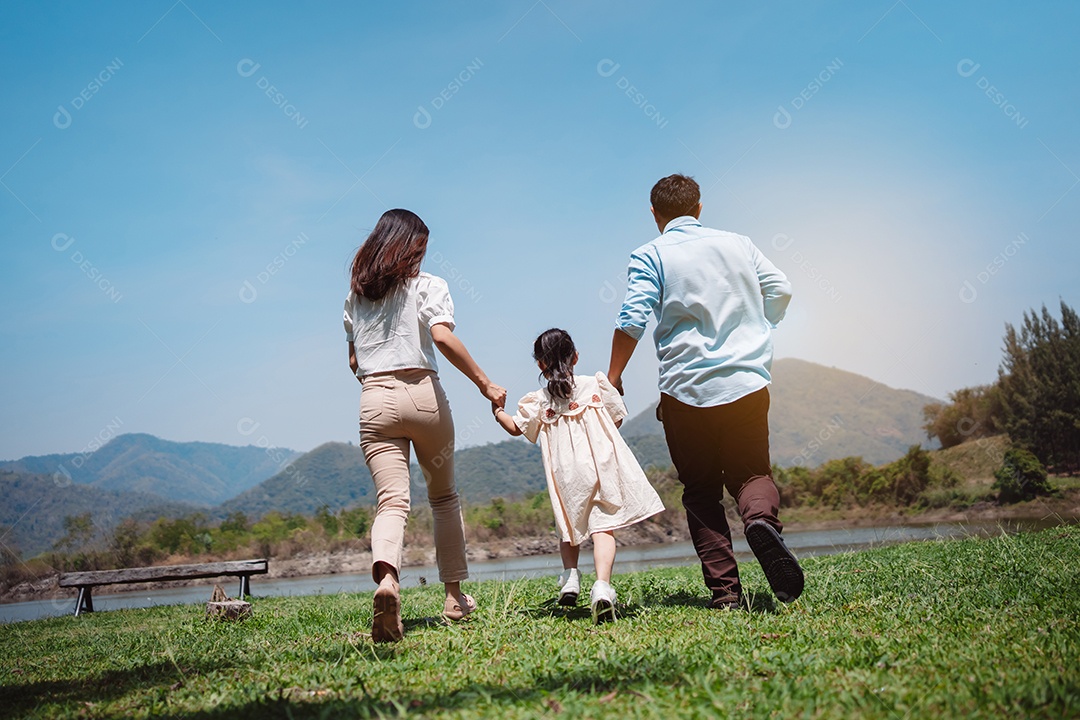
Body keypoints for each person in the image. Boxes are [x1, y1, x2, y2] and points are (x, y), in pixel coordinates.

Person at [606, 174, 804, 610]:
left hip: (685, 391)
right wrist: (758, 324)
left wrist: (614, 376)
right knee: (752, 475)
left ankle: (726, 594)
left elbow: (632, 318)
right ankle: (759, 521)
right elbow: (782, 289)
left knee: (700, 491)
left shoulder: (650, 254)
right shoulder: (739, 244)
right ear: (698, 208)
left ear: (655, 216)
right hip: (747, 383)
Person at [344, 208, 507, 642]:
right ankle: (454, 598)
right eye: (419, 249)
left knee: (392, 502)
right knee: (443, 497)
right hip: (423, 394)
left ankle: (388, 582)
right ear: (407, 247)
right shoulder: (429, 285)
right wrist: (485, 384)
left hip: (374, 400)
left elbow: (354, 360)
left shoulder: (356, 295)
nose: (421, 257)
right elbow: (441, 337)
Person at [494, 328, 665, 623]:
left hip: (565, 471)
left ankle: (571, 576)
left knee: (568, 523)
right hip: (601, 465)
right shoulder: (595, 384)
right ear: (575, 356)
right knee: (602, 528)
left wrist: (497, 410)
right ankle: (602, 586)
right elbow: (618, 418)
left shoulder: (538, 400)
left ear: (540, 365)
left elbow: (515, 427)